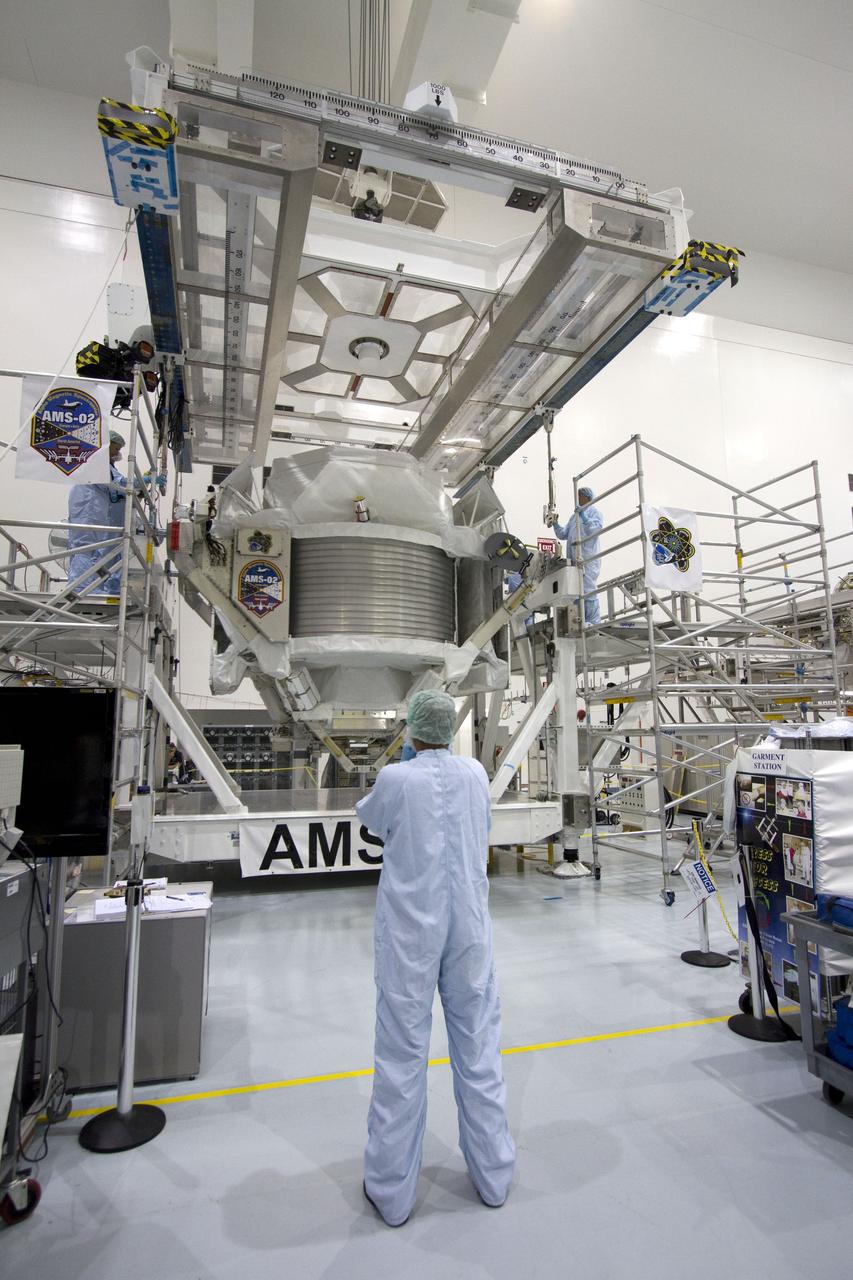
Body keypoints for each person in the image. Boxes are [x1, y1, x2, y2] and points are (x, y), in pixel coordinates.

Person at [356, 689, 515, 1227]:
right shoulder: (475, 774)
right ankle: (495, 1176)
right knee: (479, 1047)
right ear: (449, 728)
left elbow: (371, 822)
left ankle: (391, 1192)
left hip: (411, 932)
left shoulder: (397, 779)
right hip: (468, 929)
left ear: (411, 728)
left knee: (402, 1054)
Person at [67, 430, 129, 595]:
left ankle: (87, 587)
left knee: (92, 548)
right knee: (85, 546)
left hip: (92, 506)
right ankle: (80, 588)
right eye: (116, 448)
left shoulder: (103, 465)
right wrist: (138, 483)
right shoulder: (96, 462)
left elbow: (115, 486)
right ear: (106, 446)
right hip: (88, 506)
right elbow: (117, 483)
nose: (118, 453)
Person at [553, 486, 604, 624]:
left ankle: (593, 623)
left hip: (588, 559)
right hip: (574, 560)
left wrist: (584, 516)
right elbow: (563, 534)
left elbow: (594, 530)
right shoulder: (573, 517)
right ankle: (579, 622)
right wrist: (555, 523)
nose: (578, 499)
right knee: (575, 590)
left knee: (587, 589)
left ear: (587, 497)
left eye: (580, 496)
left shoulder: (595, 513)